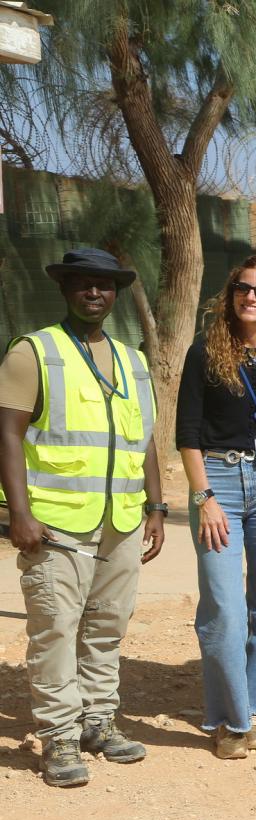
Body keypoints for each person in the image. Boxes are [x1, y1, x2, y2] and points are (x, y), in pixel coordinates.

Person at [0, 248, 165, 787]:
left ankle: (98, 721)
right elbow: (7, 435)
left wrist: (156, 506)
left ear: (116, 292)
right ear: (64, 288)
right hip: (55, 524)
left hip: (121, 519)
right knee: (55, 630)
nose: (94, 292)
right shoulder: (34, 352)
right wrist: (18, 513)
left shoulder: (133, 361)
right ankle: (59, 737)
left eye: (104, 284)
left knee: (107, 627)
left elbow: (145, 440)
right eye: (83, 283)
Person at [177, 253, 256, 760]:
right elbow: (186, 432)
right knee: (225, 609)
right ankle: (231, 720)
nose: (252, 297)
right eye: (243, 288)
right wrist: (203, 497)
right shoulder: (204, 351)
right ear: (230, 295)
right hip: (219, 481)